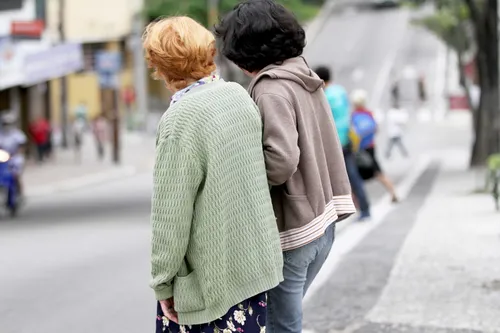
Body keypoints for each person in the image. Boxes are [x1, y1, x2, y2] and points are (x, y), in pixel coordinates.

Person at [215, 2, 356, 332]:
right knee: (283, 322)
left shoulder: (270, 88)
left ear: (245, 49)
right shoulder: (302, 74)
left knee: (280, 326)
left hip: (294, 232)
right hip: (322, 223)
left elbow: (280, 161)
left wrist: (238, 179)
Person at [143, 16, 283, 333]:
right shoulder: (237, 96)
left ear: (160, 66)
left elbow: (170, 216)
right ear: (209, 52)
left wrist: (163, 284)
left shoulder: (179, 121)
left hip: (212, 285)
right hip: (253, 271)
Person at [315, 66, 371, 221]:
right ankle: (364, 208)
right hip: (346, 139)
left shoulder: (324, 95)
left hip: (333, 143)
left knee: (330, 180)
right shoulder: (341, 91)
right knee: (353, 176)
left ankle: (338, 212)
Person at [351, 90, 399, 203]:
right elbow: (376, 129)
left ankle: (356, 204)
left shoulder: (354, 116)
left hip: (360, 150)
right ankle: (393, 192)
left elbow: (352, 133)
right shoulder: (369, 113)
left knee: (354, 177)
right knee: (378, 173)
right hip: (371, 146)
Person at [0, 113, 27, 197]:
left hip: (15, 156)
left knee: (16, 174)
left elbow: (22, 145)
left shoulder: (17, 134)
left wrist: (18, 152)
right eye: (5, 123)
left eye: (8, 123)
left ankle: (20, 192)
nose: (7, 125)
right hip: (3, 156)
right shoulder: (1, 134)